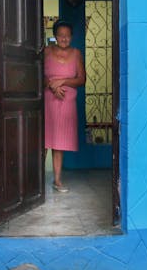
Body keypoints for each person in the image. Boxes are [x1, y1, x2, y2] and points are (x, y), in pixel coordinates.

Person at [44, 20, 86, 193]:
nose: (64, 38)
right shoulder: (46, 51)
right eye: (61, 35)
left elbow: (82, 79)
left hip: (66, 103)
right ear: (55, 36)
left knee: (59, 142)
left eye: (67, 36)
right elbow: (35, 73)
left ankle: (57, 180)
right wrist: (52, 85)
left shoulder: (76, 54)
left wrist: (63, 81)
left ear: (71, 37)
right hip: (47, 101)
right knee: (42, 141)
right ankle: (35, 183)